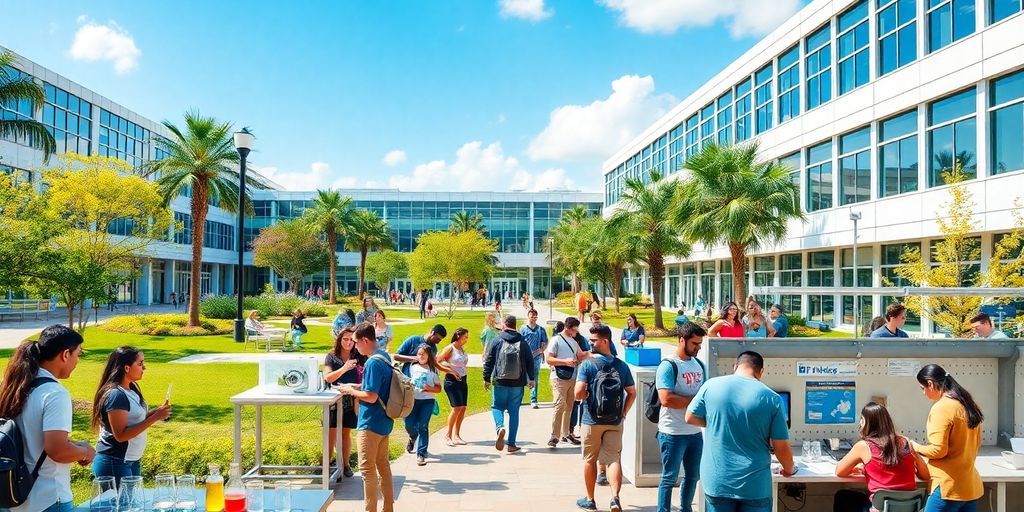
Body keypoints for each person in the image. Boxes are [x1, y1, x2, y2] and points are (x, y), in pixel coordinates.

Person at [685, 351, 796, 512]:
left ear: (735, 366)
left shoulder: (710, 385)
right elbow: (781, 446)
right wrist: (789, 469)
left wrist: (717, 423)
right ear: (761, 371)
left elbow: (690, 417)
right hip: (755, 485)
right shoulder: (772, 398)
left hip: (717, 481)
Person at [0, 325, 94, 512]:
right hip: (49, 498)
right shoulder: (55, 393)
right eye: (78, 355)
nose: (77, 361)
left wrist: (75, 445)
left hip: (15, 496)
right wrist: (86, 452)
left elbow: (29, 436)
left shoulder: (15, 388)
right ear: (65, 354)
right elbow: (57, 450)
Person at [573, 325, 637, 512]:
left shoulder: (588, 364)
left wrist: (588, 395)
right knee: (613, 460)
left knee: (589, 459)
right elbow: (632, 392)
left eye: (593, 340)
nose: (590, 343)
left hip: (591, 420)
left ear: (605, 341)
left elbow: (578, 393)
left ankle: (590, 499)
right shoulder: (621, 366)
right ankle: (615, 498)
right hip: (615, 421)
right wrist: (623, 412)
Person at [91, 347, 172, 484]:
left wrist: (156, 412)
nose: (144, 367)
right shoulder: (116, 395)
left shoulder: (131, 389)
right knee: (121, 504)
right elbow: (121, 435)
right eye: (140, 364)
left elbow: (133, 419)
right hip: (115, 461)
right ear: (126, 368)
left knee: (130, 504)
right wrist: (154, 418)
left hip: (131, 460)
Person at [336, 323, 394, 512]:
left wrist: (351, 391)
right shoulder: (383, 356)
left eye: (355, 342)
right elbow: (375, 387)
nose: (354, 347)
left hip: (370, 423)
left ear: (365, 340)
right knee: (383, 467)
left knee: (367, 470)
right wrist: (357, 387)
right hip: (384, 421)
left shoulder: (372, 362)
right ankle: (387, 508)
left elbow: (371, 396)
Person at [912, 364, 984, 512]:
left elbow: (938, 450)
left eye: (922, 388)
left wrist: (914, 446)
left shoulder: (942, 408)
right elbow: (977, 443)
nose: (923, 393)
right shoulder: (968, 405)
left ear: (930, 384)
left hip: (947, 488)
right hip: (970, 488)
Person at [834, 402, 930, 512]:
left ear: (865, 422)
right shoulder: (906, 442)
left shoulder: (864, 446)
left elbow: (839, 471)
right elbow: (925, 475)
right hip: (909, 506)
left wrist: (857, 469)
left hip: (880, 508)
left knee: (843, 496)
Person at [655, 324, 708, 512]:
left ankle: (686, 508)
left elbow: (706, 396)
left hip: (694, 432)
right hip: (672, 432)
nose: (698, 347)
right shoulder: (668, 365)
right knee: (669, 478)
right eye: (695, 343)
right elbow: (666, 399)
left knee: (693, 476)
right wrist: (695, 401)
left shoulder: (700, 365)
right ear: (682, 340)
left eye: (700, 343)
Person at [482, 315, 536, 454]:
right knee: (514, 412)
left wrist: (486, 378)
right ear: (515, 324)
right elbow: (530, 361)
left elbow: (489, 360)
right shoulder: (523, 341)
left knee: (496, 407)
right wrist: (531, 379)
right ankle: (511, 444)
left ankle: (500, 427)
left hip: (500, 381)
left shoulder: (497, 340)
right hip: (518, 382)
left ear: (505, 324)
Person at [324, 326, 365, 480]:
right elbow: (328, 378)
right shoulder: (331, 357)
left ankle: (345, 464)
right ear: (340, 340)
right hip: (333, 399)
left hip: (351, 399)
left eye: (351, 340)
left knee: (346, 433)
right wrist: (344, 367)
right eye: (345, 339)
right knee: (331, 433)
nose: (348, 343)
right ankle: (327, 465)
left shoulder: (359, 355)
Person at [546, 315, 584, 448]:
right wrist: (565, 362)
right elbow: (549, 359)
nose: (576, 331)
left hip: (572, 377)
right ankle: (554, 436)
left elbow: (580, 355)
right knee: (560, 404)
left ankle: (565, 433)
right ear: (568, 328)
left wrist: (593, 353)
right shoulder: (556, 340)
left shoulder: (574, 342)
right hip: (559, 377)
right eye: (574, 328)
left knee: (569, 406)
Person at [405, 344, 442, 466]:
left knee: (423, 426)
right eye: (418, 354)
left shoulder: (433, 370)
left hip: (427, 401)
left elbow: (438, 389)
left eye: (423, 354)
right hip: (413, 400)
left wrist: (429, 388)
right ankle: (412, 436)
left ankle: (421, 453)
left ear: (429, 356)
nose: (420, 356)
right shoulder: (412, 367)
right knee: (409, 424)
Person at [438, 328, 470, 446]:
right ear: (458, 336)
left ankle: (457, 435)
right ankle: (448, 435)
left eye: (467, 337)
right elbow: (438, 361)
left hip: (463, 379)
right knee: (456, 408)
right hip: (452, 381)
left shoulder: (461, 349)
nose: (466, 339)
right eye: (465, 337)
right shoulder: (450, 348)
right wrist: (450, 369)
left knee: (463, 408)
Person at [520, 309, 549, 409]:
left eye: (534, 316)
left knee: (534, 378)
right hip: (524, 357)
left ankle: (533, 399)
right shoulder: (523, 329)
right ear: (528, 316)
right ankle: (519, 399)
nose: (532, 318)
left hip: (535, 358)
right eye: (531, 316)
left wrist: (541, 350)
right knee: (522, 377)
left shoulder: (540, 330)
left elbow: (545, 342)